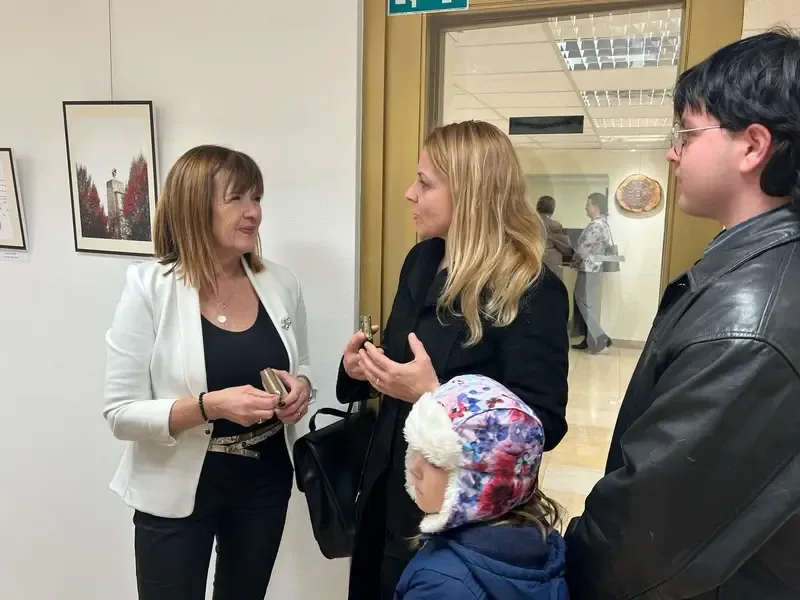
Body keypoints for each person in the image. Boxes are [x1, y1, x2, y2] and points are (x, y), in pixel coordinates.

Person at [565, 29, 800, 599]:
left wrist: (560, 565)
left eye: (687, 135)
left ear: (753, 146)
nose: (673, 153)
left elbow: (641, 538)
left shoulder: (748, 326)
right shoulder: (755, 266)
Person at [336, 120, 570, 600]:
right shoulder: (421, 261)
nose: (409, 193)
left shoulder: (530, 289)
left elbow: (541, 425)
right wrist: (364, 369)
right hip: (387, 489)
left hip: (460, 519)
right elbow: (404, 364)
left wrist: (434, 396)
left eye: (424, 183)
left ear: (470, 194)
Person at [103, 145, 316, 600]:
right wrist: (210, 406)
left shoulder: (281, 282)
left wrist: (301, 388)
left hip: (264, 482)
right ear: (195, 206)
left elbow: (303, 366)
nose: (253, 212)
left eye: (257, 198)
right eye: (236, 198)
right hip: (174, 487)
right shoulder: (149, 288)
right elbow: (120, 414)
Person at [395, 375, 568, 600]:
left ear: (479, 486)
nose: (413, 467)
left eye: (435, 461)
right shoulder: (538, 540)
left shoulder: (442, 584)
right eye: (415, 449)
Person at [570, 192, 612, 354]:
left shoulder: (596, 225)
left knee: (582, 302)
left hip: (588, 269)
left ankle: (600, 338)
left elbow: (583, 248)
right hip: (595, 270)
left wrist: (574, 261)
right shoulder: (604, 224)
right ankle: (590, 340)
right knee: (588, 305)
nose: (585, 208)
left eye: (588, 205)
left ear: (596, 206)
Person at [536, 195, 573, 280]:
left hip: (534, 263)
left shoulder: (530, 223)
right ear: (552, 208)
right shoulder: (554, 225)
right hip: (551, 264)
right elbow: (566, 248)